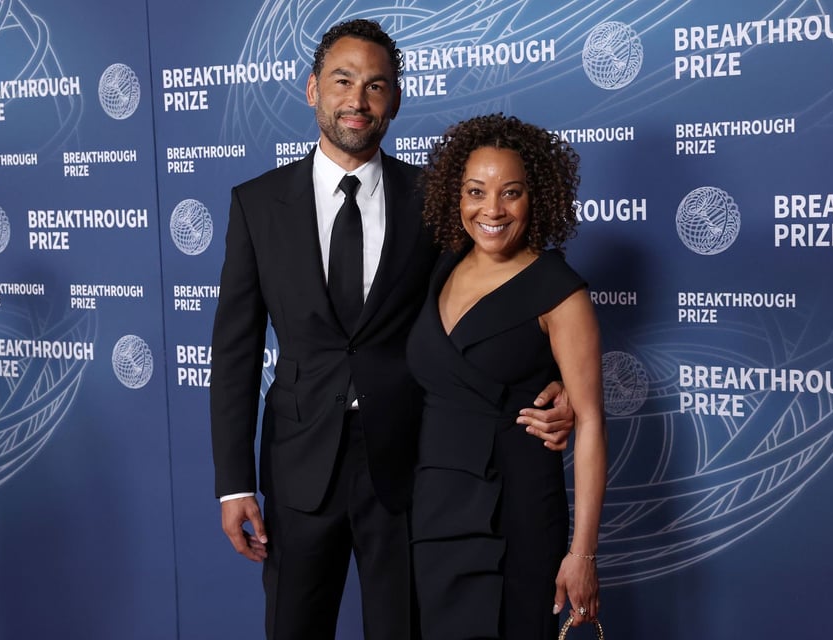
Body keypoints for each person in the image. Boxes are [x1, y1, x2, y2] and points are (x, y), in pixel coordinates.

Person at [209, 20, 575, 640]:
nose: (357, 100)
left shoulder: (435, 199)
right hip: (299, 468)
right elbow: (234, 352)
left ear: (396, 100)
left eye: (376, 86)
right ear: (313, 90)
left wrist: (560, 381)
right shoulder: (256, 203)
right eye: (342, 81)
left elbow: (499, 297)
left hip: (410, 465)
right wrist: (233, 484)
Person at [407, 113, 608, 639]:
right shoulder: (442, 265)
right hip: (434, 510)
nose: (491, 209)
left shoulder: (559, 291)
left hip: (517, 513)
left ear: (535, 197)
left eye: (510, 192)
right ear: (456, 195)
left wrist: (582, 553)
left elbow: (589, 423)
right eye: (476, 191)